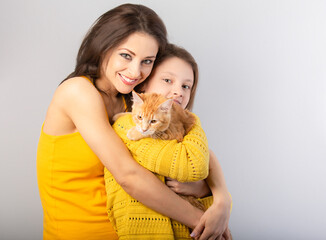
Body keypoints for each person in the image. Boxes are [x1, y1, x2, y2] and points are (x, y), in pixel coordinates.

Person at [36, 3, 229, 240]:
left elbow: (199, 151)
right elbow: (129, 176)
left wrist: (222, 199)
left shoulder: (135, 103)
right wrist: (205, 224)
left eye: (147, 61)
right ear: (103, 47)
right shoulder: (77, 92)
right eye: (126, 55)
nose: (135, 71)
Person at [106, 44, 232, 239]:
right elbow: (195, 165)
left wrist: (219, 196)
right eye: (167, 80)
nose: (178, 92)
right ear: (144, 84)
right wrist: (203, 187)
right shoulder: (129, 126)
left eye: (185, 86)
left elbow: (206, 156)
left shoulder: (180, 125)